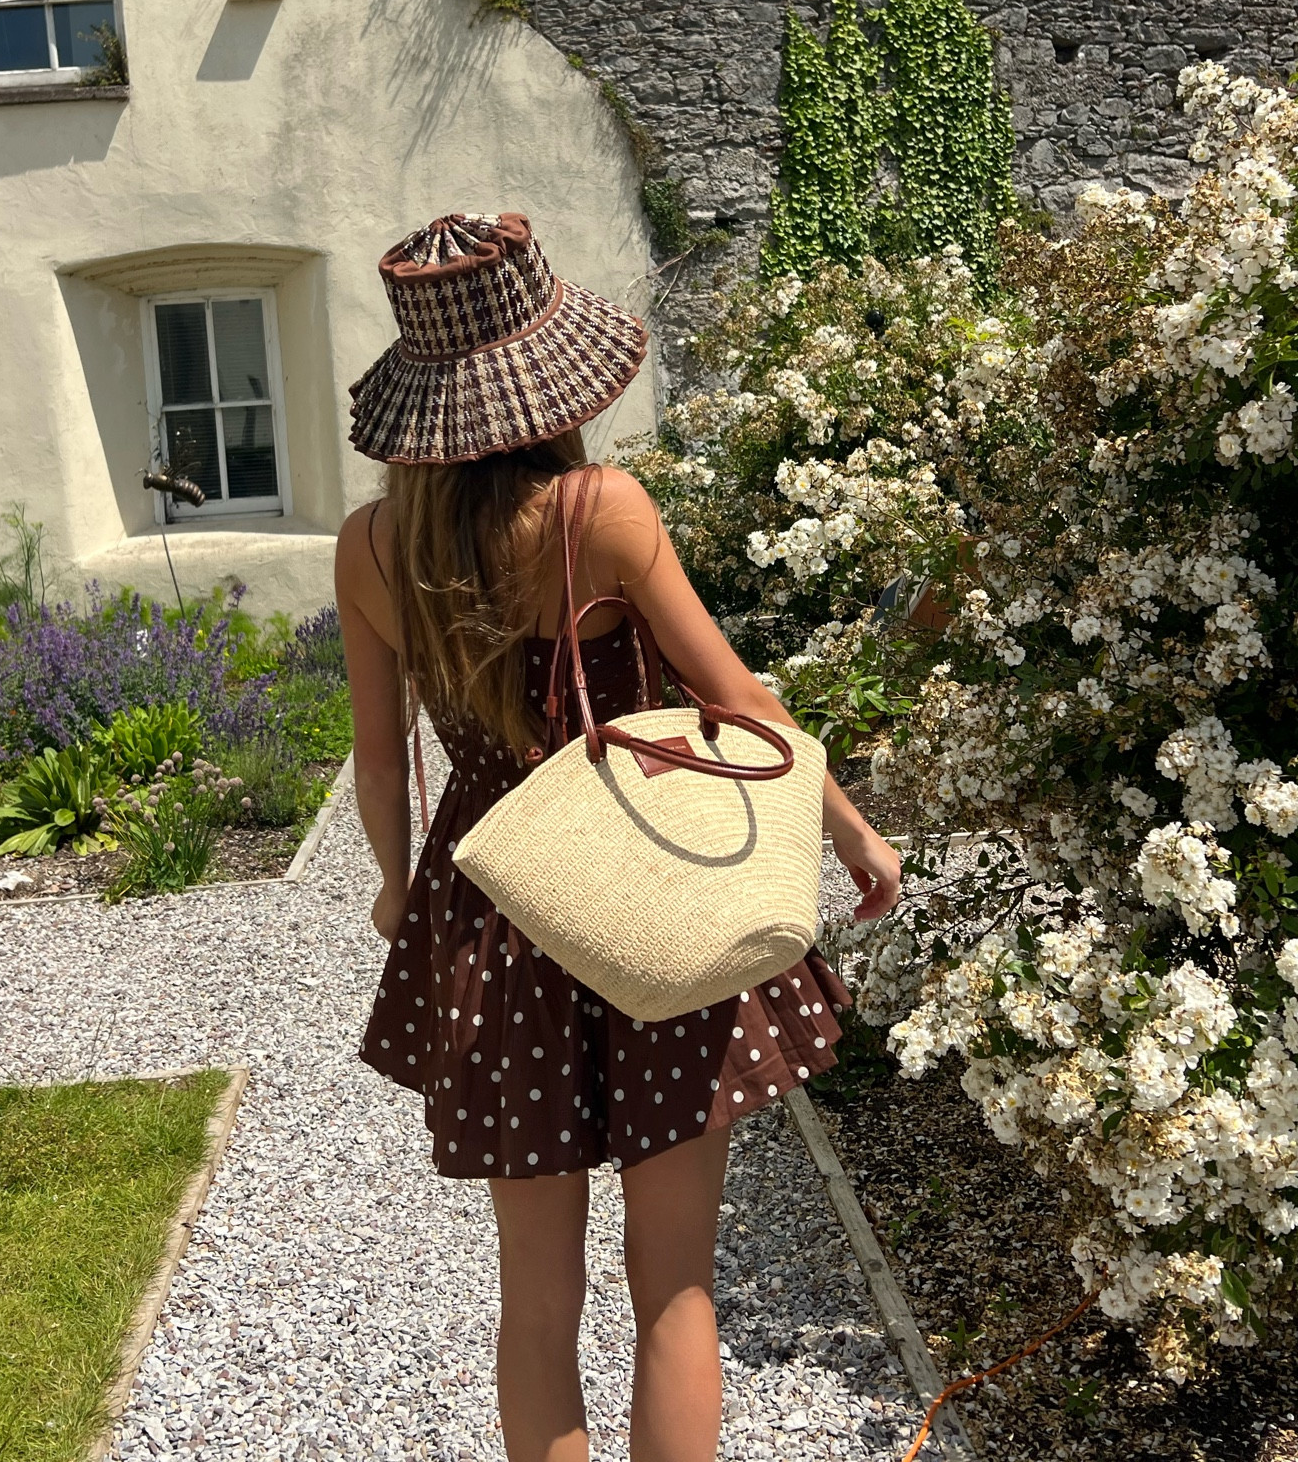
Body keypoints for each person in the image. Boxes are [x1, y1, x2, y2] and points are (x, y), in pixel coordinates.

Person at [336, 212, 902, 1462]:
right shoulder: (602, 508)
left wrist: (392, 891)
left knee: (535, 1300)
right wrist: (853, 831)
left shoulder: (372, 546)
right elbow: (739, 704)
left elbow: (382, 760)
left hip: (490, 925)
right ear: (550, 376)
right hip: (646, 902)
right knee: (675, 1288)